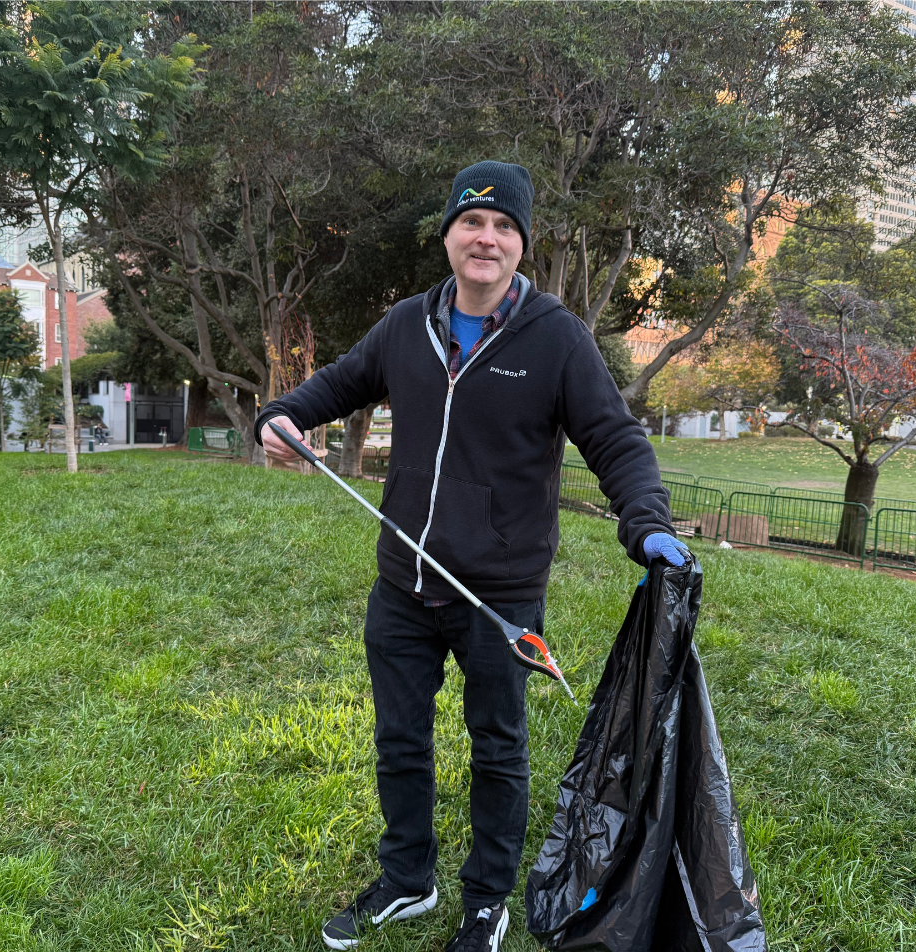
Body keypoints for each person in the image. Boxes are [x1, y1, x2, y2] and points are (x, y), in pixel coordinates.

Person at [256, 160, 689, 952]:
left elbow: (615, 439)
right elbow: (335, 385)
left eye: (503, 227)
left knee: (498, 750)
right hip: (402, 587)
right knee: (400, 741)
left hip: (499, 597)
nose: (484, 238)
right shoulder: (403, 325)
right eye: (471, 222)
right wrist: (278, 417)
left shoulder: (556, 338)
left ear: (520, 244)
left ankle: (485, 901)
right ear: (449, 234)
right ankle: (407, 880)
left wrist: (646, 523)